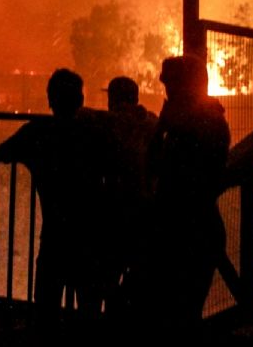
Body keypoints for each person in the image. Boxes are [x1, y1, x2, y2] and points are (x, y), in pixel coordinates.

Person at [0, 68, 111, 337]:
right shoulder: (95, 134)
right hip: (90, 235)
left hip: (56, 234)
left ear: (50, 100)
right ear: (81, 101)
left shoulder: (38, 132)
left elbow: (2, 152)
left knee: (46, 308)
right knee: (90, 310)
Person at [133, 54, 229, 344]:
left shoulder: (200, 123)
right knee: (181, 314)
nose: (167, 90)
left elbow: (157, 169)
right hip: (190, 229)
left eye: (171, 84)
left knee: (177, 315)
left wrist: (166, 123)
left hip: (186, 231)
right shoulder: (205, 119)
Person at [96, 75, 158, 321]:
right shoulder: (152, 122)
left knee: (109, 275)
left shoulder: (108, 122)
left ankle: (114, 323)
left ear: (113, 99)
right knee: (141, 273)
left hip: (115, 213)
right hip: (146, 212)